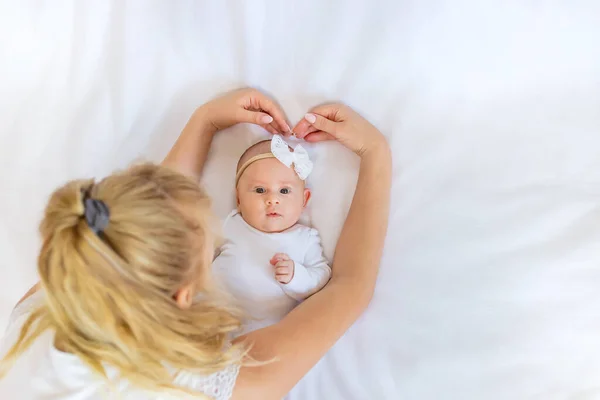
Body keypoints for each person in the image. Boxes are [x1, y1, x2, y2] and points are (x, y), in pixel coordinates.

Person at [0, 88, 392, 399]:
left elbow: (140, 221)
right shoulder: (198, 385)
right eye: (212, 247)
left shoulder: (41, 311)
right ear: (183, 297)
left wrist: (205, 121)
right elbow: (350, 287)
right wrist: (376, 153)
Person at [213, 134, 331, 334]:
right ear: (239, 199)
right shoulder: (231, 224)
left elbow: (321, 275)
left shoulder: (305, 238)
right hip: (209, 315)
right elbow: (200, 250)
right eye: (260, 190)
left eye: (284, 191)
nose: (272, 199)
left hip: (261, 332)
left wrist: (296, 275)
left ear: (304, 199)